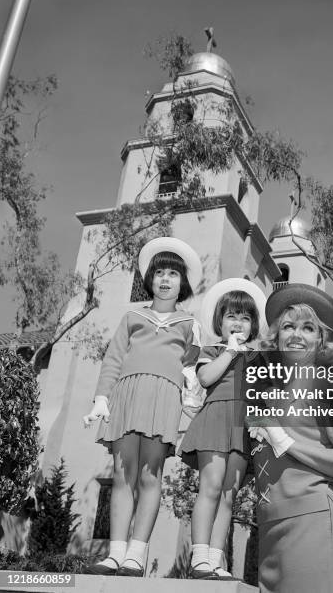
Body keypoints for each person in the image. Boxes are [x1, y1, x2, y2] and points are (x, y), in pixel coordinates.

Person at [83, 237, 202, 577]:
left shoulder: (190, 324)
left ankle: (136, 554)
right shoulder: (131, 317)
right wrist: (102, 398)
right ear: (150, 279)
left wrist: (193, 405)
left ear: (183, 283)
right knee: (122, 474)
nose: (166, 279)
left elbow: (193, 369)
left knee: (151, 474)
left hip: (163, 400)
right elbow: (113, 359)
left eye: (173, 274)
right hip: (127, 397)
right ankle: (114, 553)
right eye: (160, 272)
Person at [247, 283, 333, 593]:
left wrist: (289, 444)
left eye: (308, 328)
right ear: (275, 336)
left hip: (313, 523)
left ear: (321, 340)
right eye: (288, 326)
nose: (296, 335)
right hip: (268, 528)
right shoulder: (265, 393)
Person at [179, 278, 266, 580]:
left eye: (245, 317)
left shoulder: (258, 357)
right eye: (232, 316)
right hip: (216, 418)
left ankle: (216, 560)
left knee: (229, 495)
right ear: (220, 320)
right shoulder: (213, 349)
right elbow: (205, 379)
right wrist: (229, 351)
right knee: (211, 487)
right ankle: (198, 556)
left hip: (242, 426)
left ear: (254, 324)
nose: (238, 323)